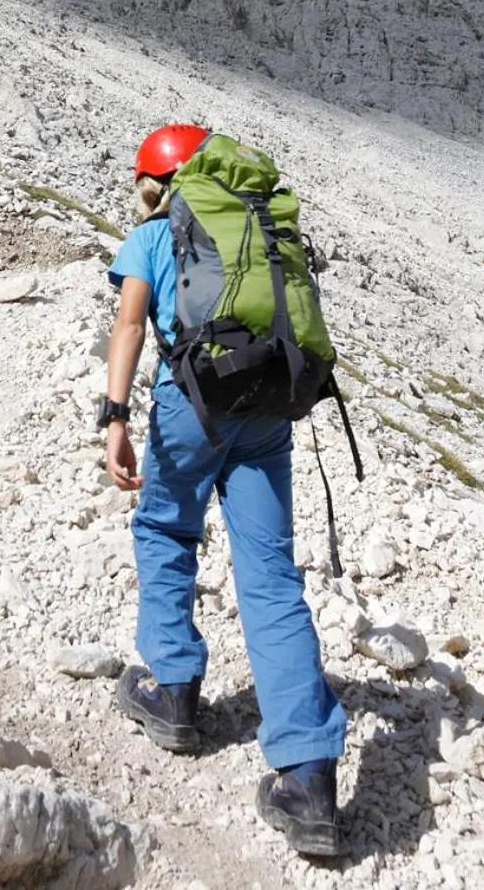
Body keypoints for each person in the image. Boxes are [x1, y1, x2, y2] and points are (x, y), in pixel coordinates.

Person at [97, 122, 347, 858]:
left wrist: (114, 418)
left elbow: (130, 324)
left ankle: (171, 692)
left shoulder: (152, 235)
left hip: (191, 403)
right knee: (270, 575)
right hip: (267, 404)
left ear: (152, 182)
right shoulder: (254, 224)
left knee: (166, 528)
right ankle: (307, 781)